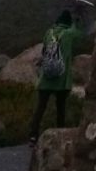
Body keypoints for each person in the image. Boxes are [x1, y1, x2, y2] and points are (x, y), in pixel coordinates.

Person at [28, 8, 81, 140]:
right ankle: (59, 134)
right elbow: (78, 33)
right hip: (62, 79)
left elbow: (44, 51)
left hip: (46, 77)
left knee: (40, 108)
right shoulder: (68, 34)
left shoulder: (49, 32)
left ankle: (33, 135)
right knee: (61, 108)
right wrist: (77, 19)